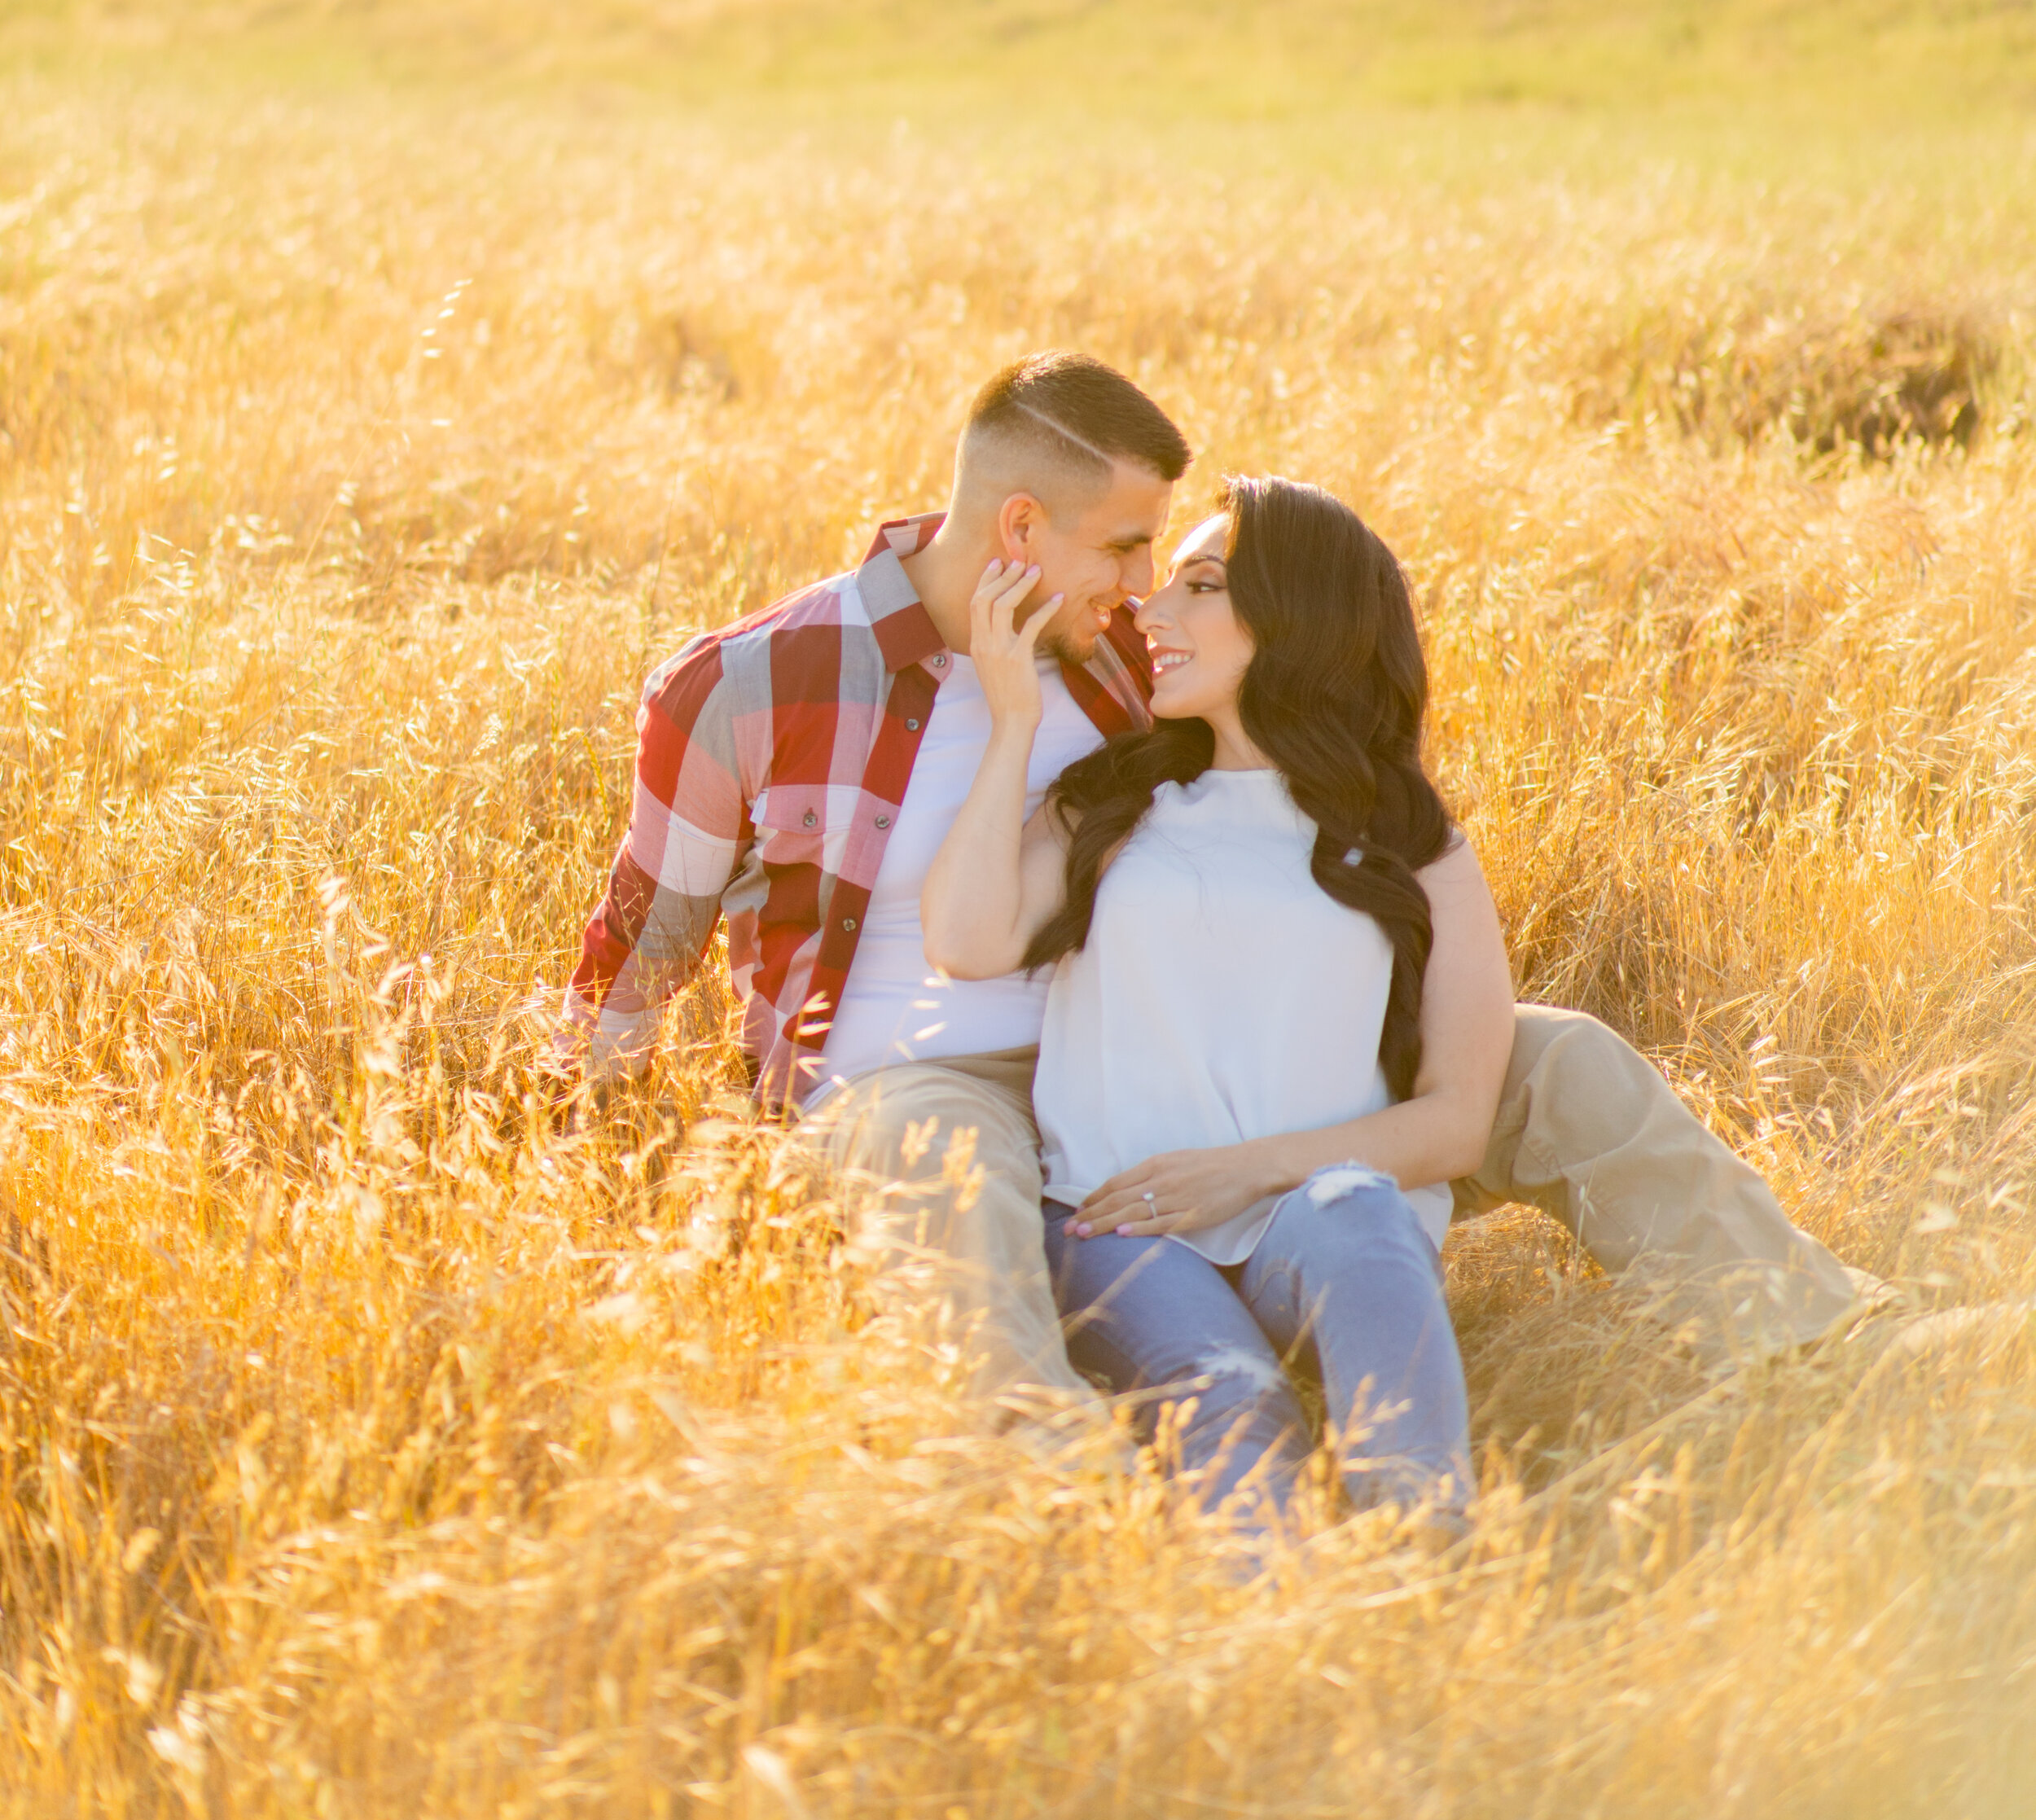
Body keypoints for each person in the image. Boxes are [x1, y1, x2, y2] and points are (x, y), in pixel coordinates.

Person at [557, 350, 1863, 1437]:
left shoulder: (1132, 657)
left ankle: (1819, 1337)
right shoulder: (749, 685)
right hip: (935, 1082)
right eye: (1126, 546)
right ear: (1021, 529)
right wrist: (590, 1188)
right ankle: (1043, 1483)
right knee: (946, 1166)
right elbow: (644, 946)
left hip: (1186, 1044)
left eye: (1160, 561)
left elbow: (1290, 785)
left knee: (1558, 1059)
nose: (1144, 586)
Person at [920, 478, 1513, 1529]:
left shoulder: (1413, 840)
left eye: (1200, 585)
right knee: (1234, 1399)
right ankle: (1273, 1645)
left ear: (1300, 616)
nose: (1150, 611)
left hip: (1310, 1226)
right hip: (1117, 1223)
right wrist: (1012, 720)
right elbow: (967, 941)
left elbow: (1457, 1120)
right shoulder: (1113, 801)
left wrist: (1240, 1172)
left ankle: (1429, 1571)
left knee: (1362, 1208)